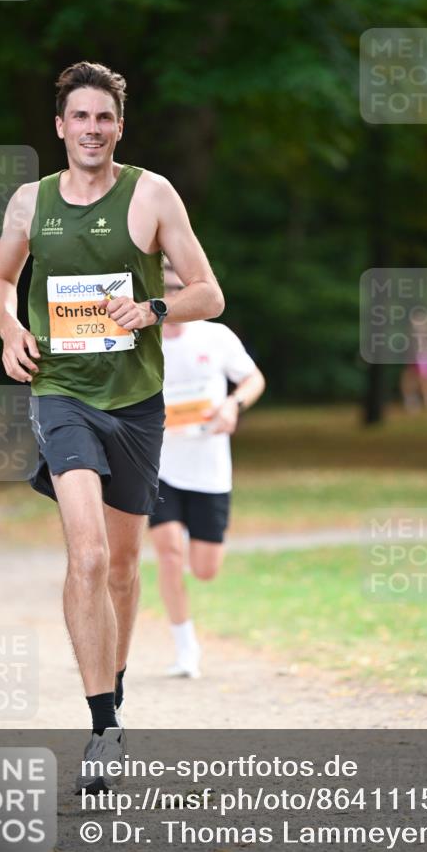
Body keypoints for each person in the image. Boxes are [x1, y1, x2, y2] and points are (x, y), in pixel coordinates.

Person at [0, 61, 224, 792]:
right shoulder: (30, 204)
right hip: (61, 393)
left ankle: (111, 691)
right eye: (79, 117)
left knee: (122, 567)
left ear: (119, 126)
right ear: (59, 125)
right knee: (86, 557)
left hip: (136, 404)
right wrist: (6, 330)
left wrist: (153, 309)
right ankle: (102, 726)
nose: (92, 130)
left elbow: (209, 293)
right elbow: (0, 279)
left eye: (104, 118)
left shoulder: (151, 194)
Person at [149, 262, 265, 678]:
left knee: (204, 569)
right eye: (164, 288)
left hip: (210, 469)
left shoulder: (216, 337)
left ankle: (189, 626)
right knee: (168, 552)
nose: (172, 297)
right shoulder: (137, 341)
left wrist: (234, 405)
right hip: (158, 466)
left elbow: (253, 380)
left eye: (180, 288)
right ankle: (186, 649)